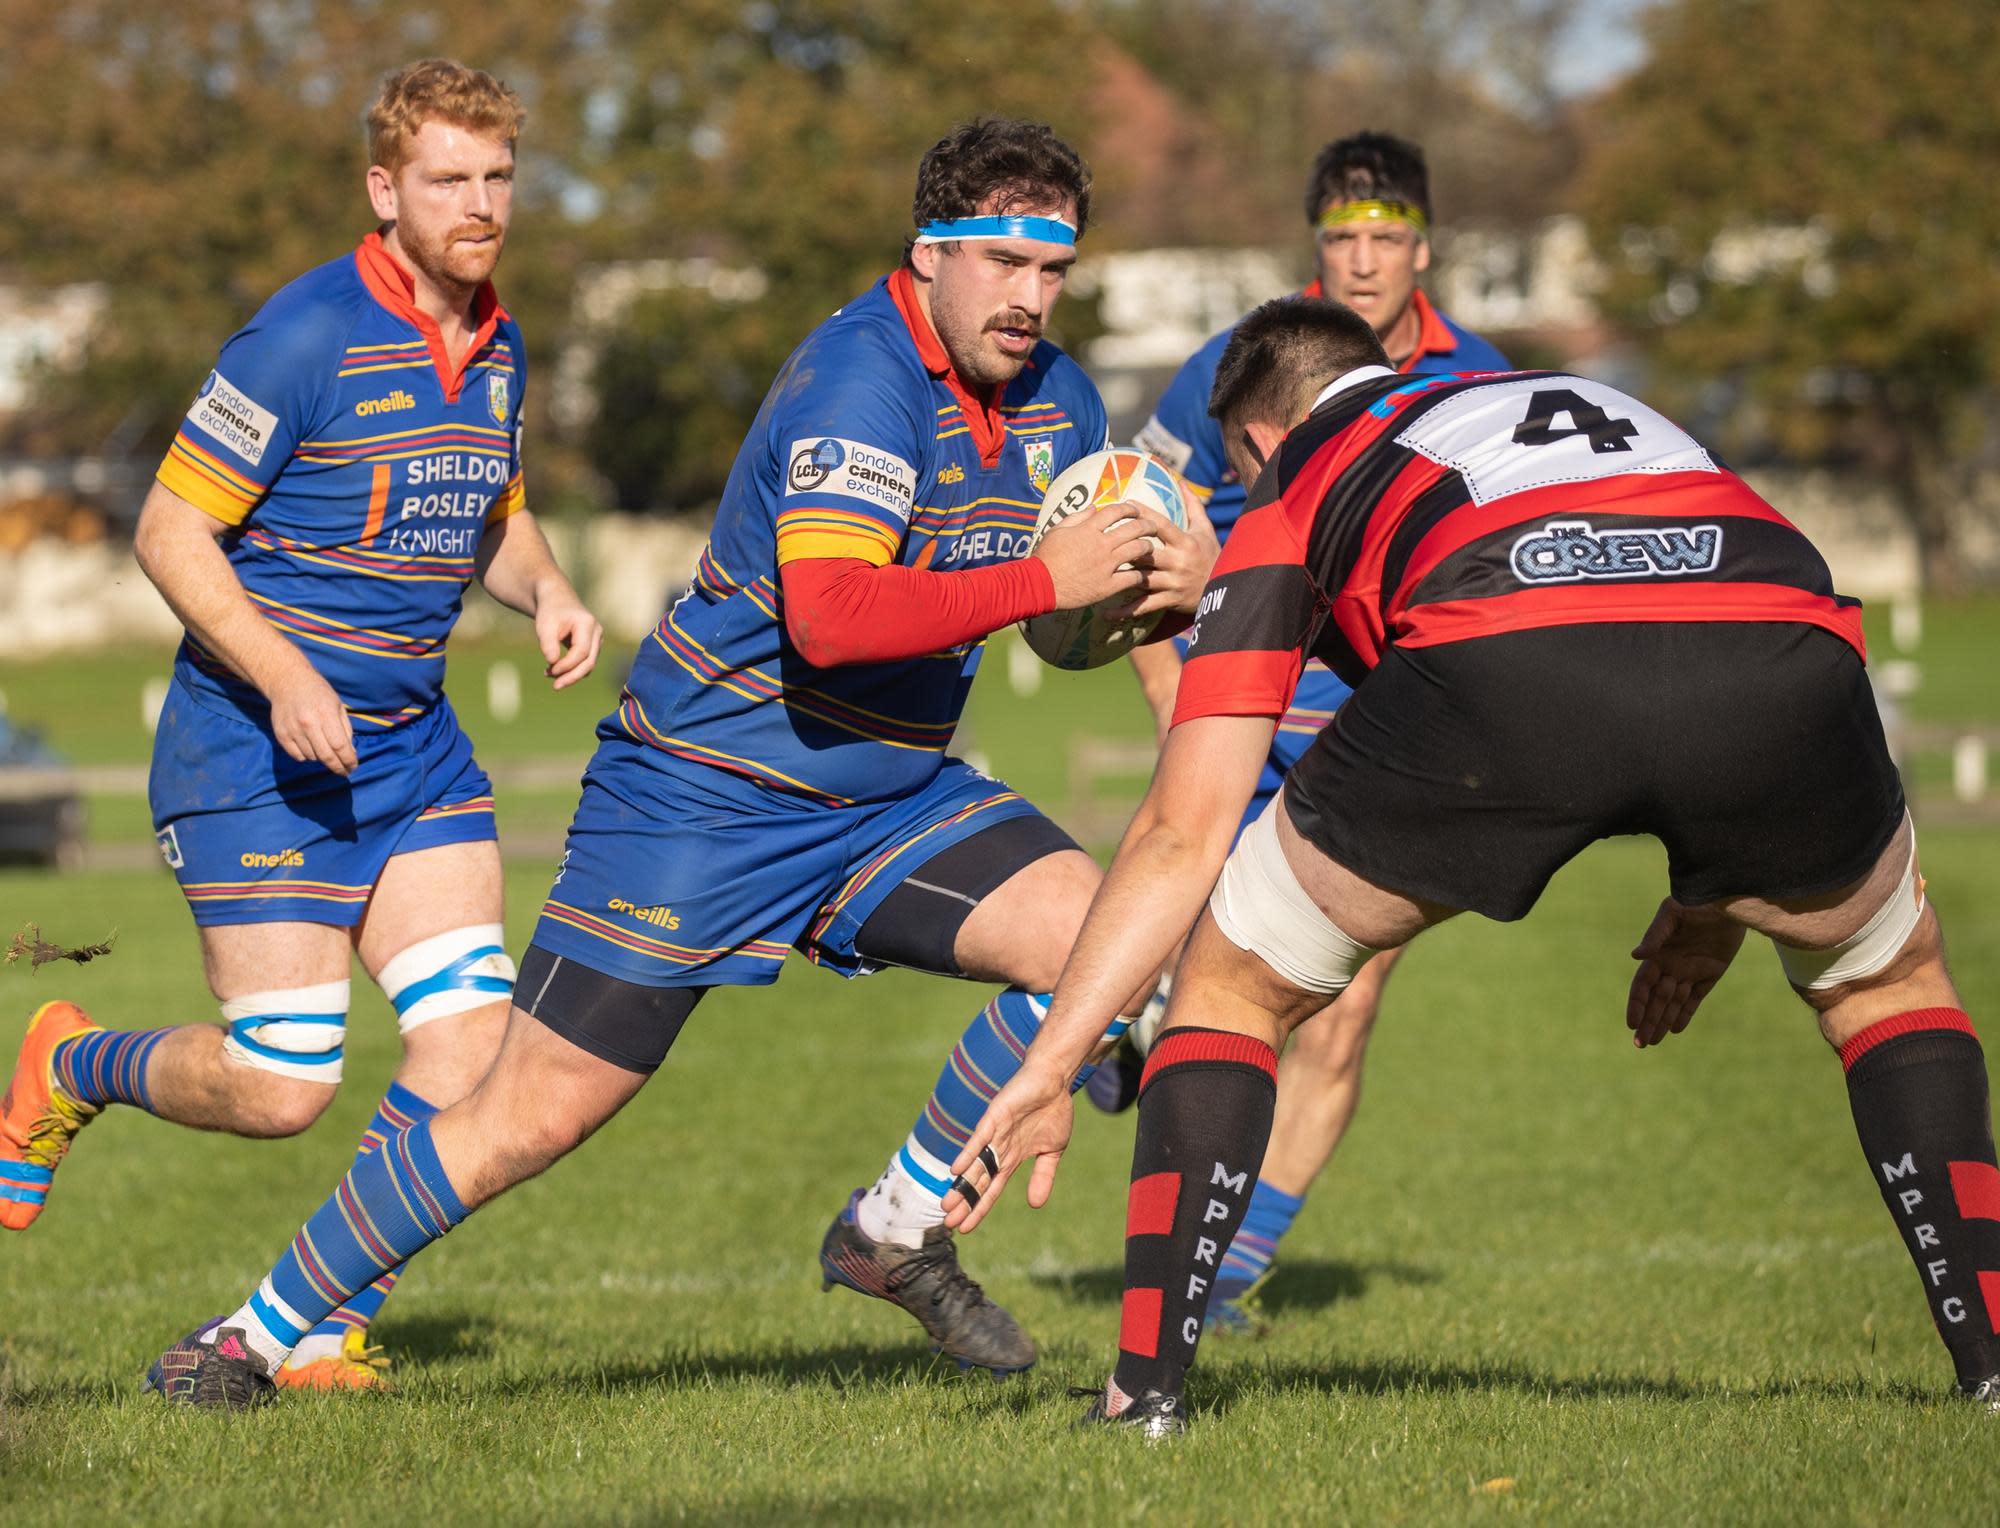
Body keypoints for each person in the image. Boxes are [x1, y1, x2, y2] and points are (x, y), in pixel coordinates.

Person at [146, 118, 1217, 1410]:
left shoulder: (1063, 401)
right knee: (525, 1115)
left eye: (1054, 273)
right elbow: (831, 614)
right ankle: (248, 1339)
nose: (1031, 300)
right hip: (706, 795)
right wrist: (1052, 578)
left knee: (1123, 944)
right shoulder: (859, 380)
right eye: (1003, 264)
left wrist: (1156, 594)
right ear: (928, 254)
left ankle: (890, 1227)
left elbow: (1070, 620)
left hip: (892, 793)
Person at [944, 295, 1996, 1435]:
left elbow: (1179, 833)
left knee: (1232, 986)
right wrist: (1715, 891)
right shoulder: (1603, 403)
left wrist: (1054, 1062)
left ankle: (1142, 1394)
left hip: (1506, 658)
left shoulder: (1289, 486)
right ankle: (1988, 1367)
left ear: (1255, 439)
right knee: (1887, 984)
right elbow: (1691, 616)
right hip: (1785, 640)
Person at [0, 59, 602, 1392]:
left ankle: (320, 1320)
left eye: (500, 177)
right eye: (450, 179)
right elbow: (170, 529)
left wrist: (548, 588)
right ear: (385, 191)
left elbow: (490, 510)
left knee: (471, 1041)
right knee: (284, 1087)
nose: (482, 204)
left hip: (413, 748)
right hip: (252, 755)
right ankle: (72, 1061)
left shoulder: (498, 340)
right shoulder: (301, 336)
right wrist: (279, 671)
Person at [1095, 131, 1511, 1331]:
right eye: (1341, 237)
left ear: (1422, 250)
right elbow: (1145, 511)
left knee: (1342, 1010)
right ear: (1314, 247)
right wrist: (1175, 689)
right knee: (1183, 943)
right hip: (1237, 718)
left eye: (1386, 238)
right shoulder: (1232, 367)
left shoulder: (1477, 379)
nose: (1364, 260)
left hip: (1384, 739)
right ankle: (1128, 1023)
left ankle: (1217, 1282)